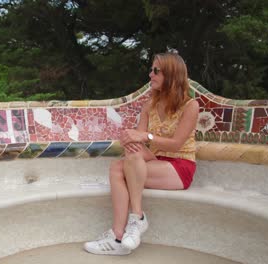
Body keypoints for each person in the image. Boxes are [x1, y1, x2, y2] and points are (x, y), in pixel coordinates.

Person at [84, 52, 199, 255]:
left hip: (180, 166)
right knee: (124, 160)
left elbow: (176, 144)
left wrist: (145, 137)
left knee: (120, 168)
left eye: (156, 71)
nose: (150, 75)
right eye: (151, 70)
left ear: (172, 74)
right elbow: (139, 140)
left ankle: (135, 220)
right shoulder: (150, 106)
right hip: (154, 161)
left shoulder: (191, 106)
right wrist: (130, 139)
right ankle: (119, 235)